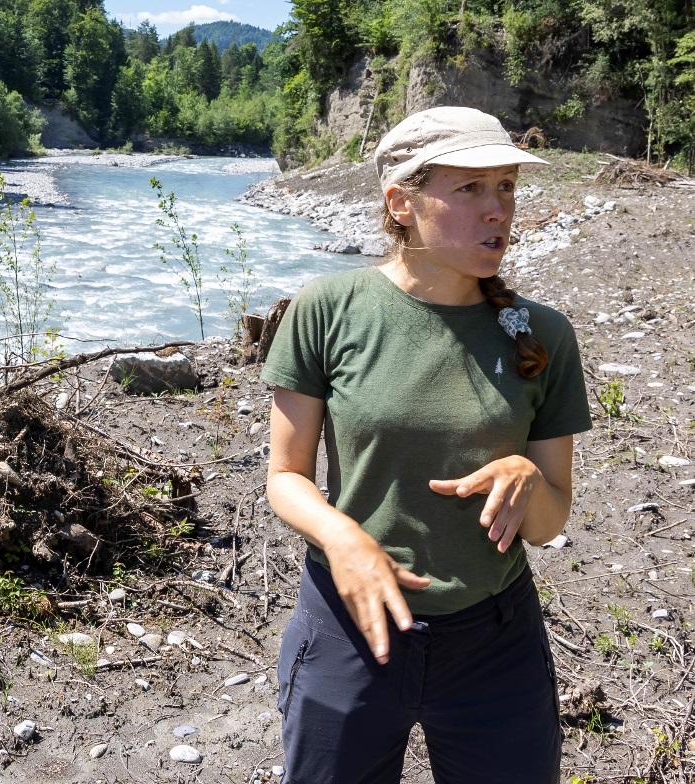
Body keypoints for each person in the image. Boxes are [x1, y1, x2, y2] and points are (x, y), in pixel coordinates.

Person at [261, 106, 593, 783]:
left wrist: (528, 482)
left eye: (506, 187)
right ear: (400, 204)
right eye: (469, 188)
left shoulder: (544, 336)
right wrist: (344, 540)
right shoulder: (326, 308)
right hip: (345, 624)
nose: (498, 208)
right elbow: (285, 477)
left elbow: (552, 518)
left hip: (494, 642)